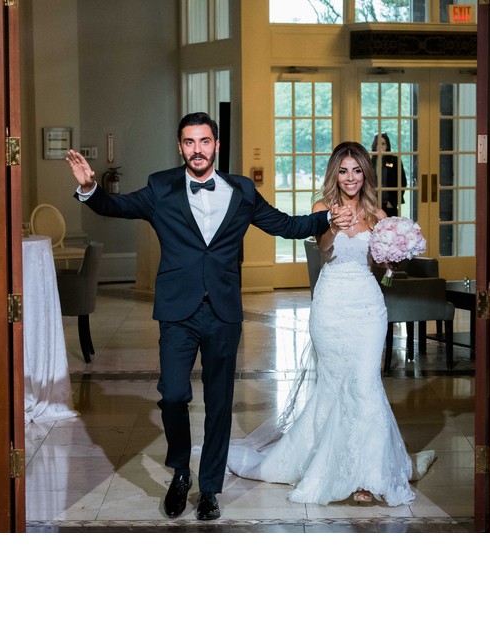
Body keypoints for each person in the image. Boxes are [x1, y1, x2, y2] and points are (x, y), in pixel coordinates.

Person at [65, 112, 352, 520]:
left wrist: (326, 216)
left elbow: (285, 225)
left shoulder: (241, 190)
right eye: (188, 142)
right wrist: (89, 187)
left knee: (219, 403)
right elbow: (115, 205)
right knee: (174, 394)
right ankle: (181, 472)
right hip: (177, 311)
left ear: (216, 145)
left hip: (223, 312)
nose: (196, 149)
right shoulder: (160, 187)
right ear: (179, 146)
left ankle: (211, 489)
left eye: (203, 141)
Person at [226, 141, 435, 506]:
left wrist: (394, 257)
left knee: (366, 384)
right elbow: (324, 251)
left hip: (368, 308)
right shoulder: (323, 208)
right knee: (335, 386)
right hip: (331, 306)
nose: (350, 178)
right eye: (343, 171)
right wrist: (333, 225)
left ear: (365, 174)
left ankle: (368, 476)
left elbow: (383, 269)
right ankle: (330, 465)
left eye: (357, 170)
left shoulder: (380, 216)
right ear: (334, 174)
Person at [370, 133, 407, 217]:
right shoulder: (369, 162)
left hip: (389, 204)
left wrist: (393, 201)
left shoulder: (394, 160)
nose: (380, 146)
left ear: (387, 146)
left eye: (383, 144)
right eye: (377, 144)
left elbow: (402, 182)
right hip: (373, 205)